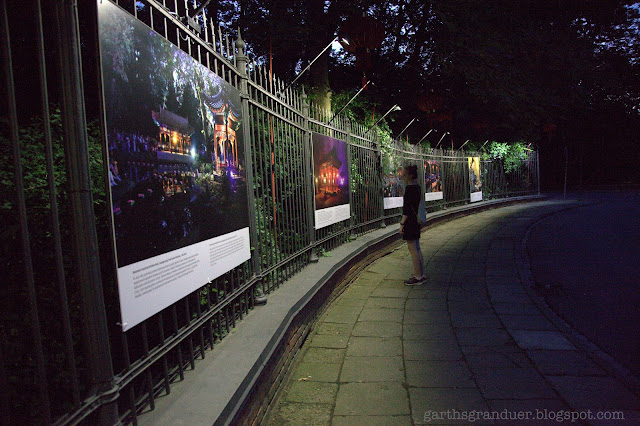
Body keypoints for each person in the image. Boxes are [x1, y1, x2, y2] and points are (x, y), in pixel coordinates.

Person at [400, 164, 425, 285]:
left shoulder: (409, 189)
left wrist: (402, 224)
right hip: (416, 220)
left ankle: (417, 276)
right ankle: (421, 274)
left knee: (412, 249)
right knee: (417, 248)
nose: (402, 176)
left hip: (410, 221)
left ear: (409, 175)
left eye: (404, 174)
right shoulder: (418, 187)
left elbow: (407, 209)